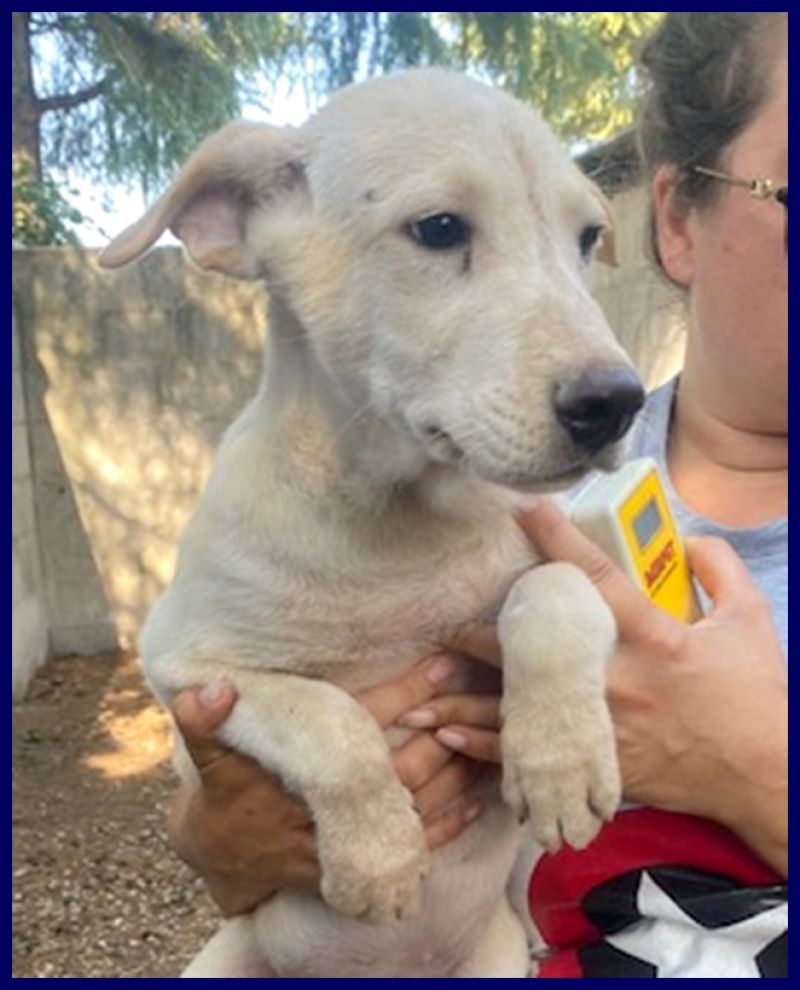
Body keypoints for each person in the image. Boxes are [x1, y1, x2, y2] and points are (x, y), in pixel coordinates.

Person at [166, 12, 787, 978]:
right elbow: (208, 723)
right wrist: (222, 831)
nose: (592, 356)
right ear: (674, 220)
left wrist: (762, 771)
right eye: (442, 229)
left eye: (580, 237)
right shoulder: (550, 491)